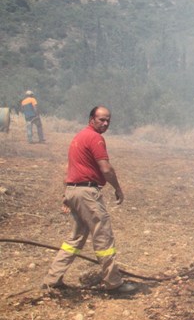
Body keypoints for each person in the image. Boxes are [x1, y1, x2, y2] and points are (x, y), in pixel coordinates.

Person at [42, 106, 138, 294]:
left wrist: (67, 195)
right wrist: (118, 188)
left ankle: (52, 279)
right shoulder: (95, 138)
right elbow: (106, 169)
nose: (105, 123)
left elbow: (72, 168)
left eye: (108, 120)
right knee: (103, 235)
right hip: (87, 193)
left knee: (76, 237)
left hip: (74, 190)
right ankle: (113, 283)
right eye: (101, 119)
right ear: (91, 119)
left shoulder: (79, 137)